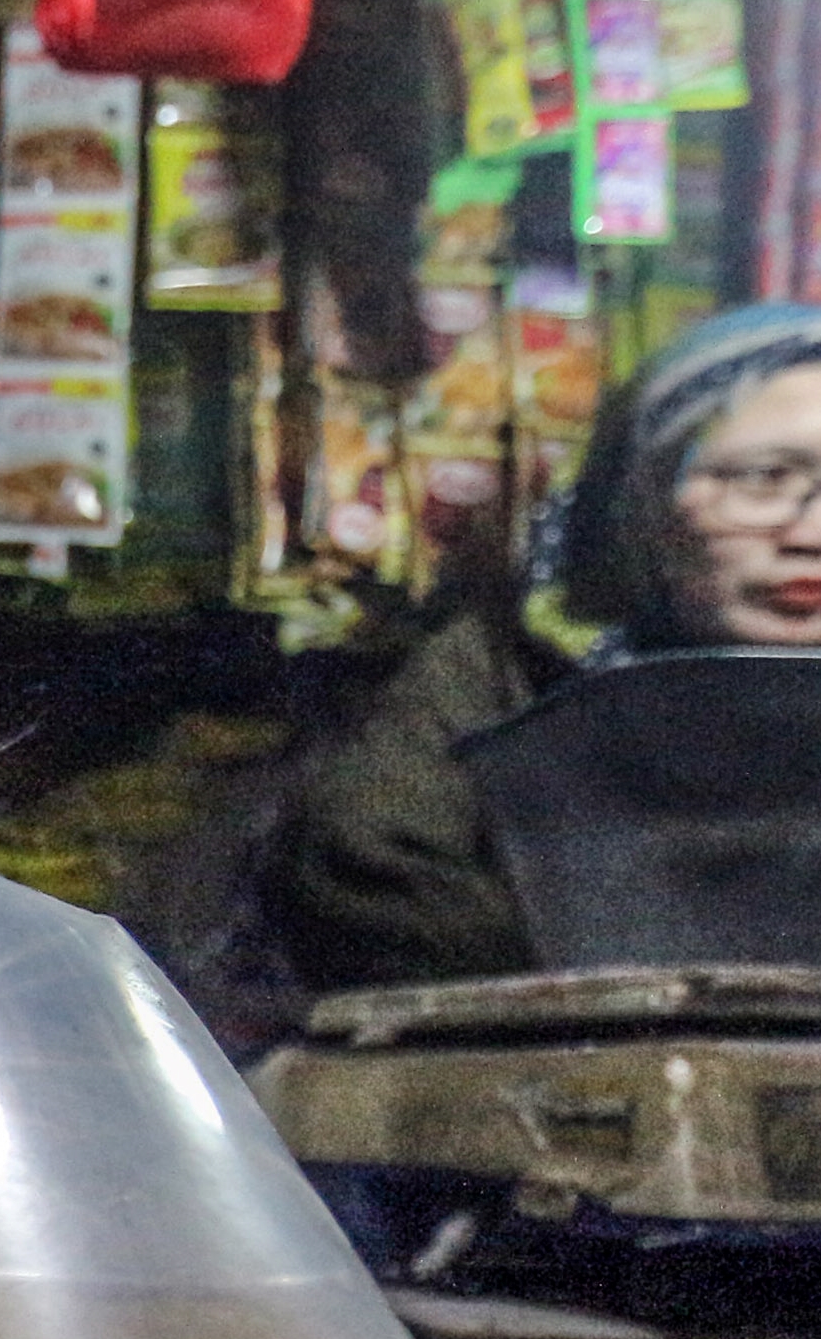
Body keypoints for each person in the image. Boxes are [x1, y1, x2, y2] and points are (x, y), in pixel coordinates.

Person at [267, 302, 821, 991]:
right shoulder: (510, 671)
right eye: (763, 479)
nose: (809, 534)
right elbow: (368, 864)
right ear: (645, 498)